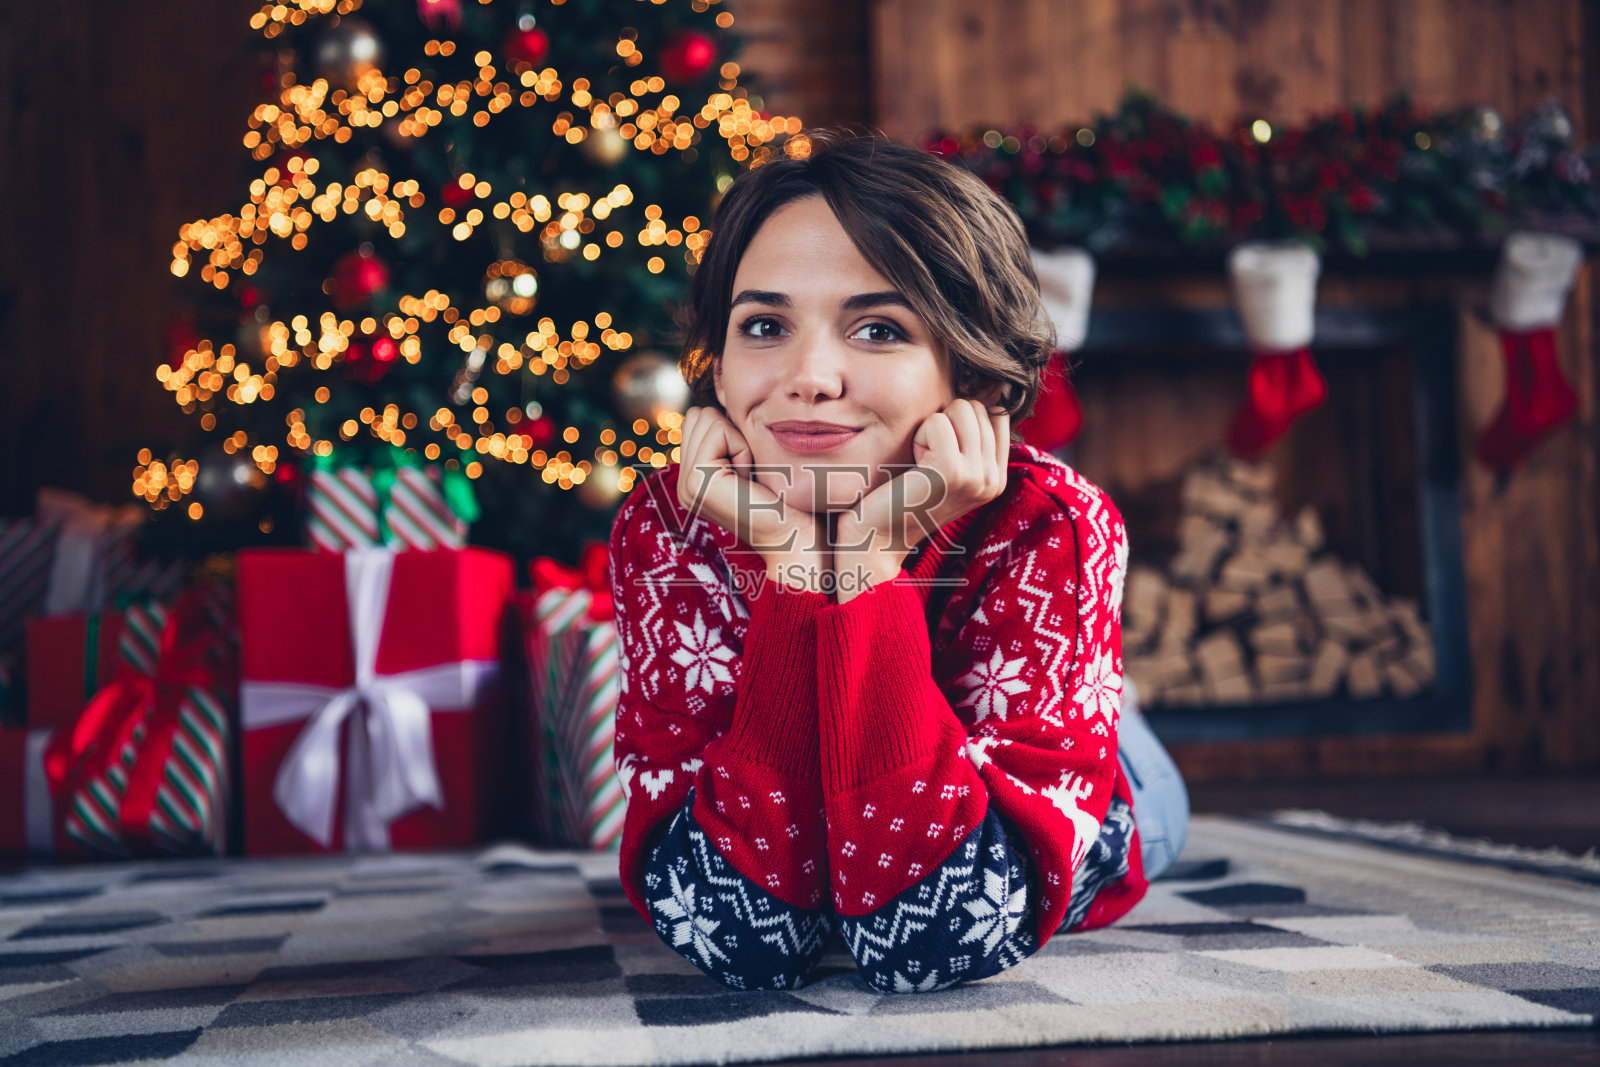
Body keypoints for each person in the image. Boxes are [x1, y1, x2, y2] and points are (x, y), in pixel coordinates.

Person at [608, 129, 1188, 993]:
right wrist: (794, 562)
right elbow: (738, 935)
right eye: (764, 325)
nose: (809, 377)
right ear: (718, 372)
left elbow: (931, 937)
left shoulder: (1052, 523)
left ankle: (1102, 713)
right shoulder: (667, 528)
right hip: (902, 791)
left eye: (878, 329)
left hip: (1109, 790)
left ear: (975, 381)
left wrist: (872, 555)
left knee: (1123, 784)